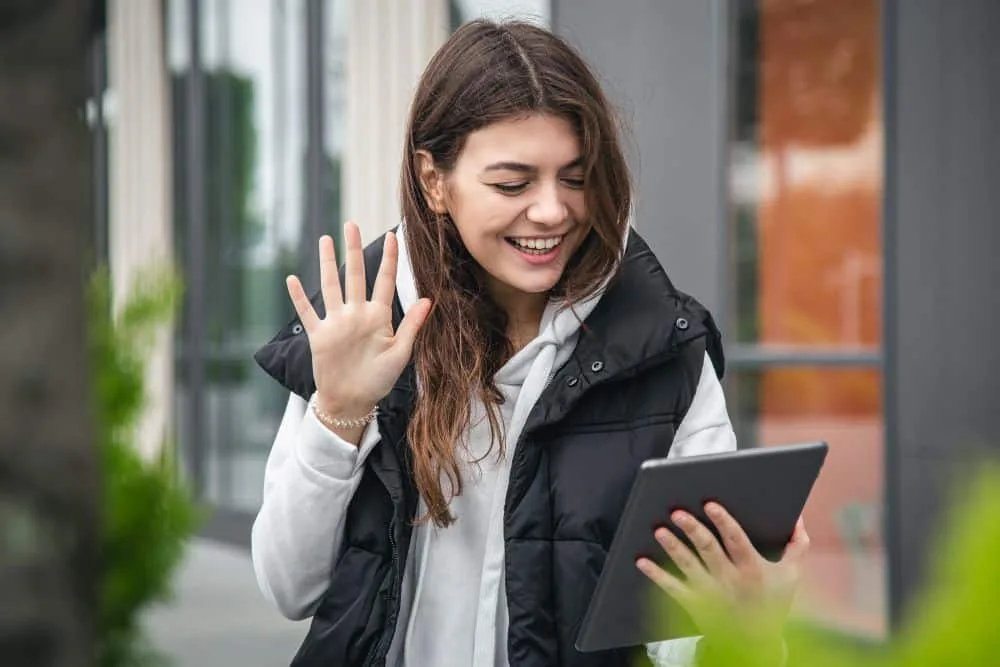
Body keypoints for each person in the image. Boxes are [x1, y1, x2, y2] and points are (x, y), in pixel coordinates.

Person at [251, 18, 809, 667]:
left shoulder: (663, 346)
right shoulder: (363, 329)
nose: (552, 211)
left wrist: (747, 632)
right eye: (512, 184)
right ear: (434, 181)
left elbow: (677, 636)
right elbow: (291, 588)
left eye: (575, 177)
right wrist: (340, 413)